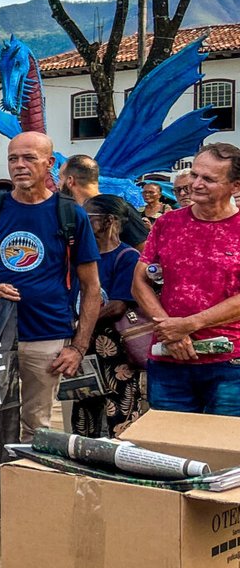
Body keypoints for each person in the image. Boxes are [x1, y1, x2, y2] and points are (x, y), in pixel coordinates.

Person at [0, 132, 101, 441]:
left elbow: (91, 288)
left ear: (49, 163)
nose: (19, 166)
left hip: (48, 336)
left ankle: (29, 487)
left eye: (29, 158)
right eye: (13, 159)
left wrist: (78, 346)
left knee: (38, 428)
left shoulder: (70, 214)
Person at [133, 143, 240, 415]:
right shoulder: (167, 224)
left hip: (229, 362)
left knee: (226, 450)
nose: (196, 184)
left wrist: (188, 325)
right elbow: (140, 282)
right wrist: (169, 329)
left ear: (235, 186)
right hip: (168, 358)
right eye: (194, 175)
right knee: (167, 449)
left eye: (209, 179)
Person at [74, 195, 147, 436]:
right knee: (84, 408)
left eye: (89, 219)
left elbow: (118, 306)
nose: (83, 223)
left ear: (110, 221)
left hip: (116, 349)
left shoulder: (127, 257)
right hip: (85, 345)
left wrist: (83, 321)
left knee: (120, 410)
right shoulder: (83, 256)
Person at [61, 154, 147, 247]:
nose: (58, 184)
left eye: (60, 179)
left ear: (70, 181)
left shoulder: (117, 208)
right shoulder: (71, 211)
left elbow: (144, 251)